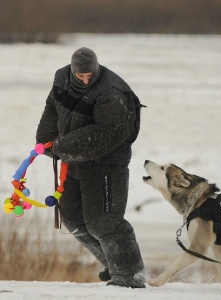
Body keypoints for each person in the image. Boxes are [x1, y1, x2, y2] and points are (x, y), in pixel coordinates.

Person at [36, 47, 146, 288]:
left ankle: (130, 277)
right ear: (73, 71)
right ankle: (113, 263)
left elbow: (103, 135)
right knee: (72, 217)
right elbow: (52, 109)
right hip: (74, 160)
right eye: (80, 76)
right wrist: (45, 140)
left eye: (90, 75)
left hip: (107, 164)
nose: (85, 79)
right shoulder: (61, 78)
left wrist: (60, 145)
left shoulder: (111, 92)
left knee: (105, 222)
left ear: (96, 69)